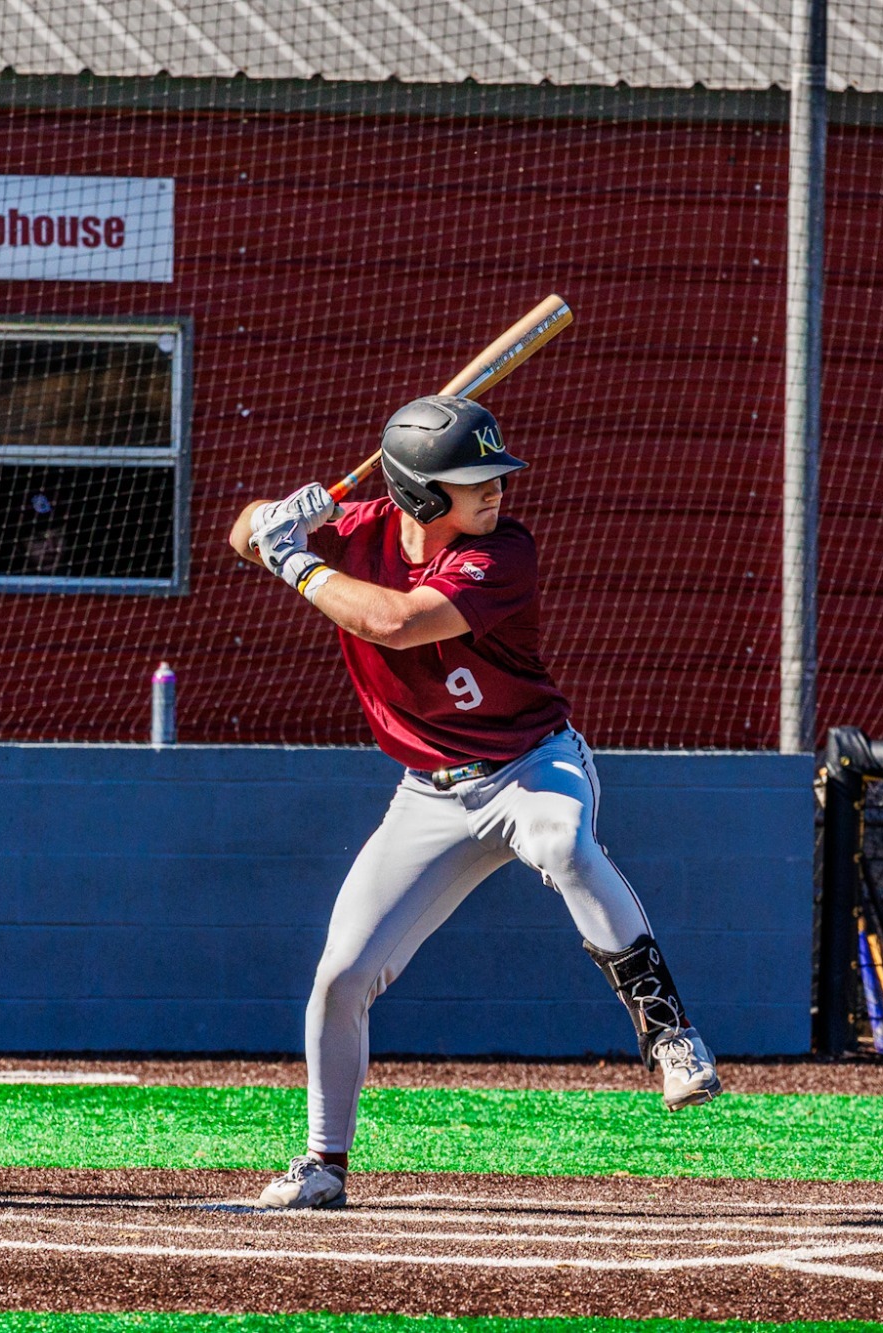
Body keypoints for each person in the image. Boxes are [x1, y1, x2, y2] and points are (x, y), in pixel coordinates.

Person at [228, 394, 720, 1211]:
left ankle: (668, 1030)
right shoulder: (358, 528)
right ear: (420, 493)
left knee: (563, 844)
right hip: (428, 794)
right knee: (340, 978)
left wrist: (297, 562)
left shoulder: (505, 554)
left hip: (531, 766)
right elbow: (242, 529)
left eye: (495, 475)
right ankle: (323, 1162)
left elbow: (394, 621)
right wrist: (279, 518)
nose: (495, 491)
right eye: (471, 479)